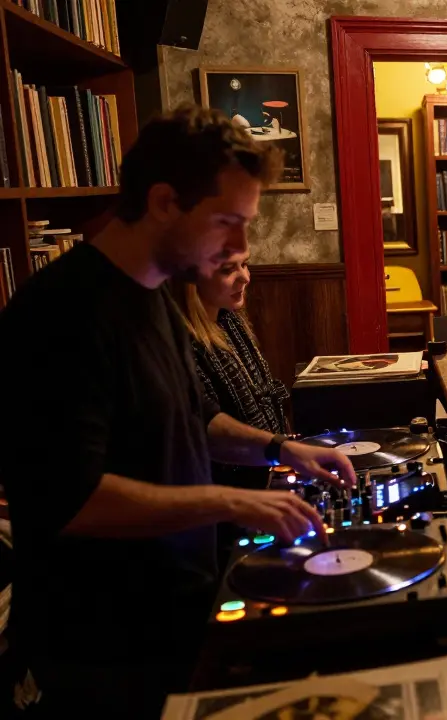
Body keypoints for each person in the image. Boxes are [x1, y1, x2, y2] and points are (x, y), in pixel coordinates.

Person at [0, 105, 358, 717]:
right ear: (165, 202)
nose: (242, 246)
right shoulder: (61, 315)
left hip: (175, 609)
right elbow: (70, 499)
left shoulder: (155, 294)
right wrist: (231, 501)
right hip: (103, 642)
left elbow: (196, 421)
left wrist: (278, 449)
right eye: (227, 221)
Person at [174, 246, 288, 491]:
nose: (245, 277)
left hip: (260, 477)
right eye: (228, 269)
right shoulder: (181, 344)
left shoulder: (229, 322)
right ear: (192, 280)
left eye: (245, 264)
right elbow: (206, 433)